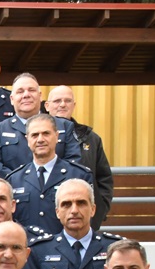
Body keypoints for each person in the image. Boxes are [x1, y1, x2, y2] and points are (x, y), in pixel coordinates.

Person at [7, 113, 94, 235]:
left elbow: (88, 217)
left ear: (57, 136)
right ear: (27, 140)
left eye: (46, 133)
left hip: (64, 245)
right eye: (35, 135)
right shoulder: (14, 179)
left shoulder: (79, 175)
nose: (40, 139)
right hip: (28, 245)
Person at [45, 86, 114, 227]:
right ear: (47, 106)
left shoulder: (91, 138)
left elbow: (104, 178)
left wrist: (100, 210)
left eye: (67, 101)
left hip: (83, 219)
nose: (62, 104)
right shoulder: (36, 137)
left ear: (74, 105)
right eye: (57, 101)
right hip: (47, 217)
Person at [0, 73, 80, 170]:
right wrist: (21, 178)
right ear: (12, 99)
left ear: (40, 96)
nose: (26, 95)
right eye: (20, 91)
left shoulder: (64, 126)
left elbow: (73, 163)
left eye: (31, 90)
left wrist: (47, 177)